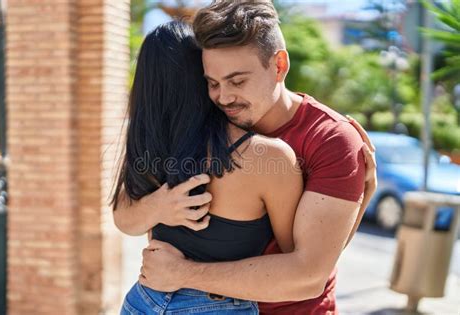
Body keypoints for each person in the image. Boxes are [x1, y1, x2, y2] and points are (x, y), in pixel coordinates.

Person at [115, 1, 378, 314]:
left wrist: (181, 273)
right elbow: (126, 211)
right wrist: (158, 206)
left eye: (238, 81)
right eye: (212, 83)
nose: (224, 97)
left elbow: (308, 276)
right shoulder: (208, 118)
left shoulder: (332, 139)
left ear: (279, 65)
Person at [113, 21, 307, 314]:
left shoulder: (151, 150)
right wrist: (160, 207)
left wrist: (156, 208)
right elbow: (298, 265)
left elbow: (122, 218)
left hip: (143, 301)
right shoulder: (269, 157)